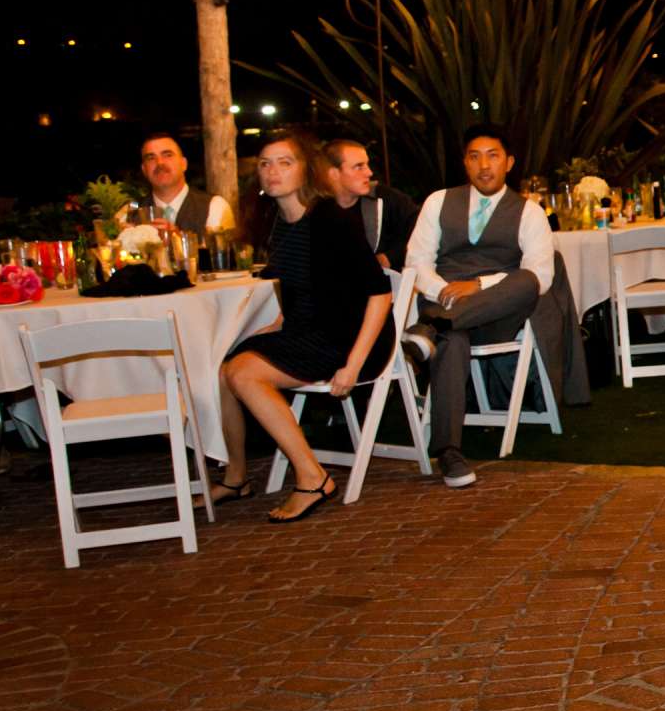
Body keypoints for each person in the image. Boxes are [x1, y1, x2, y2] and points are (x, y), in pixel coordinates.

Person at [209, 129, 391, 523]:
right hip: (308, 330)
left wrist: (354, 365)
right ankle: (237, 475)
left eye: (284, 162)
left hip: (348, 338)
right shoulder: (279, 221)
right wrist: (280, 321)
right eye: (265, 163)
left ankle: (313, 476)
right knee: (222, 367)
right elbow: (301, 286)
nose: (272, 171)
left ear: (306, 170)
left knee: (244, 375)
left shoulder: (330, 219)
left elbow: (380, 294)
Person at [401, 125, 557, 490]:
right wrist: (445, 293)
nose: (484, 165)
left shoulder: (529, 212)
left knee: (527, 280)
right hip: (445, 304)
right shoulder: (438, 202)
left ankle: (432, 327)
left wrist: (479, 287)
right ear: (464, 164)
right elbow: (416, 262)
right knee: (451, 341)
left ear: (509, 163)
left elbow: (542, 275)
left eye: (493, 156)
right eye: (474, 156)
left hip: (496, 315)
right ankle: (449, 452)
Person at [323, 139, 417, 270]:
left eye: (367, 165)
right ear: (333, 173)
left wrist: (390, 257)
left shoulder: (386, 197)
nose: (369, 173)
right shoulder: (316, 209)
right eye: (359, 166)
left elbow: (421, 230)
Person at [125, 133, 236, 234]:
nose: (160, 163)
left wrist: (179, 242)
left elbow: (222, 253)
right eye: (151, 158)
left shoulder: (214, 206)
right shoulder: (130, 212)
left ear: (184, 164)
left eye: (167, 155)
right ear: (144, 170)